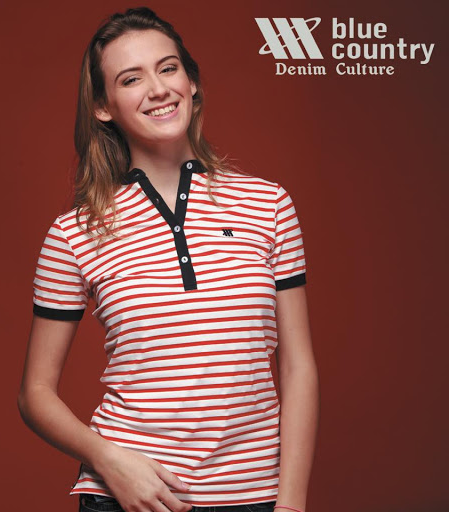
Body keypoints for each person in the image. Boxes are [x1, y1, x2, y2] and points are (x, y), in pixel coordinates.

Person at [17, 7, 319, 512]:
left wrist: (290, 505)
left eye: (168, 68)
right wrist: (109, 460)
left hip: (252, 495)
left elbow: (298, 367)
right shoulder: (74, 233)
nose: (157, 89)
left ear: (191, 83)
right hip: (128, 496)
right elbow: (34, 393)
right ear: (103, 107)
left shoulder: (268, 205)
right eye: (131, 78)